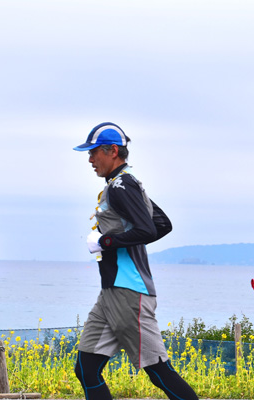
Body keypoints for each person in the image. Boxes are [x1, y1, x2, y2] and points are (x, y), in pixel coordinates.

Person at [72, 122, 198, 400]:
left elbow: (149, 230)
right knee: (86, 368)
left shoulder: (121, 185)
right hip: (112, 291)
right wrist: (116, 237)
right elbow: (161, 224)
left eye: (93, 152)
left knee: (157, 370)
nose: (90, 159)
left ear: (112, 151)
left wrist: (105, 241)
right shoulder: (124, 184)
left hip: (130, 291)